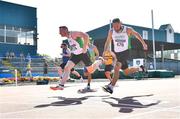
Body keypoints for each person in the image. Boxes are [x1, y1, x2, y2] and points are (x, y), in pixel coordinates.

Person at [102, 18, 148, 94]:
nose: (115, 28)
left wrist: (143, 43)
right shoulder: (111, 31)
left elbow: (137, 35)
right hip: (117, 53)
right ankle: (140, 68)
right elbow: (107, 41)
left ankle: (111, 87)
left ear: (120, 24)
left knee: (117, 67)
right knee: (126, 72)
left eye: (117, 26)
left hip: (126, 52)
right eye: (114, 26)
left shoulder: (127, 29)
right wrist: (104, 51)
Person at [50, 26, 103, 90]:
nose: (59, 33)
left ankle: (99, 61)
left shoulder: (73, 33)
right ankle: (61, 85)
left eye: (61, 31)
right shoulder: (68, 37)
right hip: (75, 55)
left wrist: (84, 47)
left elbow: (86, 35)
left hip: (83, 53)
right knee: (67, 67)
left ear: (66, 30)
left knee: (90, 70)